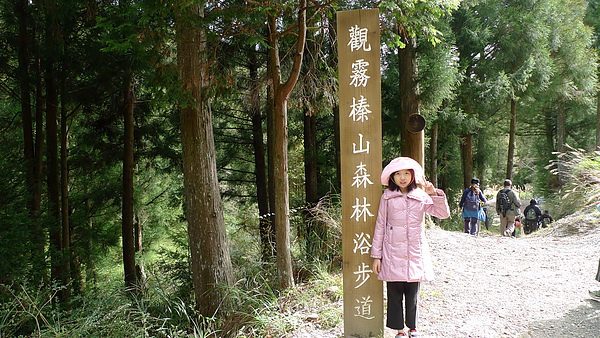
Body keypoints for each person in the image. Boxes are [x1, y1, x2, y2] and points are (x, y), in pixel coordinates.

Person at [371, 157, 450, 338]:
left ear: (413, 175)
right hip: (391, 252)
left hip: (414, 252)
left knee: (412, 294)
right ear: (392, 177)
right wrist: (377, 256)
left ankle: (412, 328)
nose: (403, 177)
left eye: (406, 173)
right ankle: (399, 330)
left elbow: (442, 214)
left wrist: (433, 193)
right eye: (398, 174)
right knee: (394, 294)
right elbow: (380, 225)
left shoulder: (421, 195)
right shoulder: (387, 197)